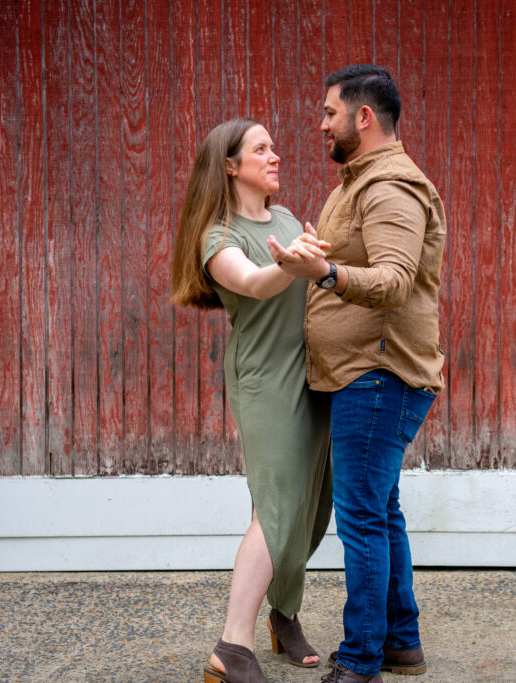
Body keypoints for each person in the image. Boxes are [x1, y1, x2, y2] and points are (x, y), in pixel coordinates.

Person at [268, 65, 446, 683]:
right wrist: (326, 255)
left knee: (363, 517)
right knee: (381, 509)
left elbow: (394, 282)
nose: (320, 125)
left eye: (328, 113)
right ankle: (401, 643)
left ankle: (362, 659)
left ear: (362, 117)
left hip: (378, 373)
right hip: (362, 374)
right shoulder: (357, 183)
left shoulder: (389, 186)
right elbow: (362, 259)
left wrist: (322, 274)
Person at [171, 118, 333, 683]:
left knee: (313, 510)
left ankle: (283, 615)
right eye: (260, 148)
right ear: (231, 166)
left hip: (314, 377)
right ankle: (231, 646)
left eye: (274, 146)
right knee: (277, 507)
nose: (275, 155)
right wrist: (291, 263)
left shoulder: (286, 219)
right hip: (266, 380)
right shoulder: (216, 235)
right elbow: (256, 282)